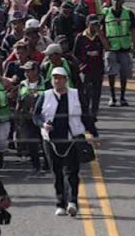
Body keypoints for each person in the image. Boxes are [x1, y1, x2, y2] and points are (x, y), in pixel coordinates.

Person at [33, 67, 98, 216]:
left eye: (60, 78)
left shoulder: (76, 95)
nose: (57, 81)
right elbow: (36, 115)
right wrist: (43, 124)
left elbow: (85, 116)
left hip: (72, 139)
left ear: (66, 80)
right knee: (57, 173)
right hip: (51, 141)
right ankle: (60, 203)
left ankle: (72, 201)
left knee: (72, 172)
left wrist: (94, 133)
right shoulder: (45, 95)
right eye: (54, 78)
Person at [102, 0, 135, 107]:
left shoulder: (128, 13)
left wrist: (134, 46)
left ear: (123, 1)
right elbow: (101, 29)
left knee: (124, 73)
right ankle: (112, 97)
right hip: (111, 47)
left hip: (124, 47)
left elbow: (133, 30)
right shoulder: (106, 13)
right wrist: (105, 44)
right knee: (111, 72)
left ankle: (122, 97)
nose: (116, 1)